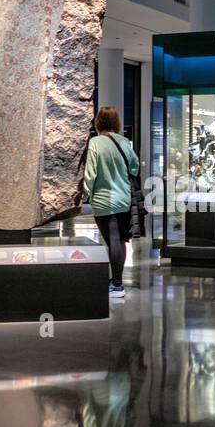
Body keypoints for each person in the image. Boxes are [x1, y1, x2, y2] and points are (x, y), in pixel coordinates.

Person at [82, 105, 139, 300]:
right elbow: (135, 168)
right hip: (124, 199)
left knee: (112, 240)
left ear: (98, 122)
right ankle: (116, 282)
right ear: (116, 122)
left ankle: (116, 284)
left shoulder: (95, 143)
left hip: (103, 200)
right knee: (120, 240)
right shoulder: (125, 142)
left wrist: (85, 194)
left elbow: (90, 174)